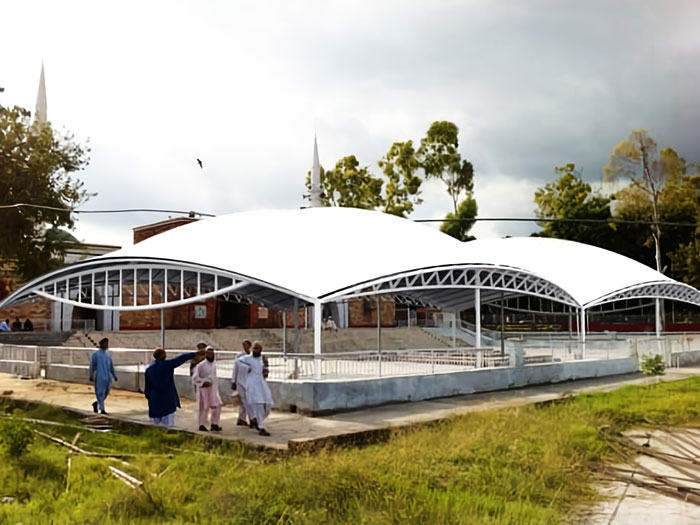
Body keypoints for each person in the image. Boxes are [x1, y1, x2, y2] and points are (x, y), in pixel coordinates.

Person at [145, 347, 201, 428]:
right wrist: (193, 354)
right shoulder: (167, 365)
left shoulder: (149, 369)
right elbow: (180, 359)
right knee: (168, 426)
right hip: (167, 399)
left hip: (154, 400)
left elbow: (147, 388)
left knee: (155, 426)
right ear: (163, 355)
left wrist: (150, 397)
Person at [237, 341, 273, 436]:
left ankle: (257, 420)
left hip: (261, 382)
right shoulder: (247, 358)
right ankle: (261, 426)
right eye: (254, 348)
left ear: (261, 350)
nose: (255, 350)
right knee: (257, 403)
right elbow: (238, 361)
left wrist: (265, 372)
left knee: (268, 403)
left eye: (257, 348)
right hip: (252, 383)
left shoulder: (262, 358)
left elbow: (265, 368)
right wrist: (246, 368)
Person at [192, 346, 223, 432]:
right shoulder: (201, 365)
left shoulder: (213, 364)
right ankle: (202, 424)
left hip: (213, 390)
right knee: (203, 407)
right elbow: (195, 377)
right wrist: (203, 382)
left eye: (212, 353)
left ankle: (214, 424)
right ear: (205, 354)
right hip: (204, 390)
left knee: (218, 405)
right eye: (208, 353)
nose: (210, 354)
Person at [89, 338, 118, 415]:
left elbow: (111, 366)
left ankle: (97, 404)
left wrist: (114, 375)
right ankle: (102, 409)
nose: (107, 345)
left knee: (106, 392)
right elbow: (92, 365)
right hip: (100, 375)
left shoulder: (108, 354)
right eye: (105, 344)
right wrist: (91, 374)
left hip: (107, 376)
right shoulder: (96, 354)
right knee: (100, 392)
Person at [232, 339, 252, 427]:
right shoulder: (239, 356)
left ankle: (242, 418)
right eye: (243, 344)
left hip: (250, 382)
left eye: (246, 344)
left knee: (247, 402)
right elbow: (235, 369)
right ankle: (248, 419)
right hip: (240, 382)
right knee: (244, 401)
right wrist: (233, 381)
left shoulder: (252, 356)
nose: (244, 346)